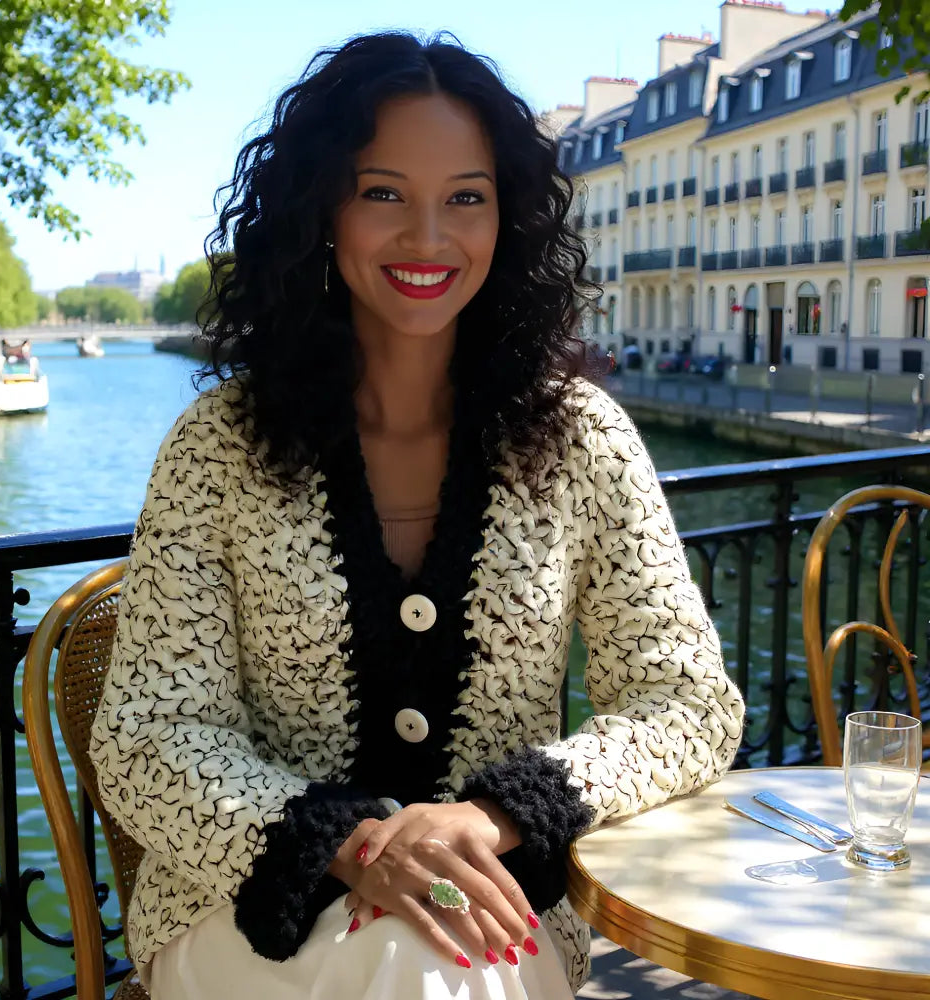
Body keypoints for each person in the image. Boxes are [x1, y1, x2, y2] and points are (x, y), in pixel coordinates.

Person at [89, 32, 745, 1000]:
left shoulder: (583, 440)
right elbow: (147, 736)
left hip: (497, 902)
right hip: (245, 909)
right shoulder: (219, 446)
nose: (429, 236)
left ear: (508, 218)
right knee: (417, 964)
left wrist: (493, 815)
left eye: (466, 197)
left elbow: (687, 703)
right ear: (322, 211)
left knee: (432, 959)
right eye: (383, 193)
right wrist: (352, 845)